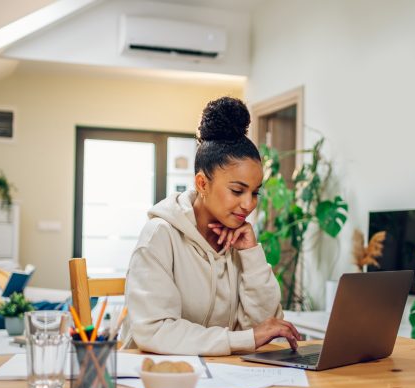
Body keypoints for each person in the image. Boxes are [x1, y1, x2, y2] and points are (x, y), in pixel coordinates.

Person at [123, 96, 302, 356]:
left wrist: (251, 255)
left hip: (220, 378)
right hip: (157, 379)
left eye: (255, 193)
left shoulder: (238, 239)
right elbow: (155, 331)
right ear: (202, 184)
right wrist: (241, 340)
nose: (248, 205)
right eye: (238, 190)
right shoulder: (159, 235)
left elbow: (264, 328)